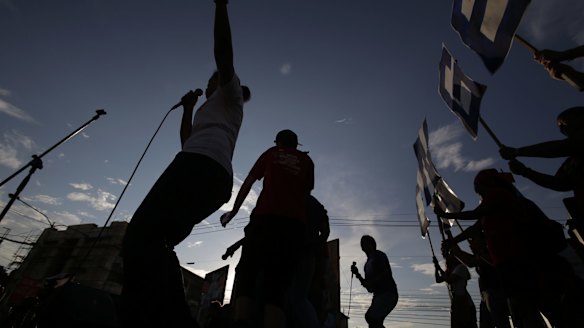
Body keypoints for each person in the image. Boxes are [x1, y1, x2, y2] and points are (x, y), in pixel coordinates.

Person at [121, 1, 250, 327]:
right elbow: (187, 141)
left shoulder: (230, 95)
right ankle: (157, 314)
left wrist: (221, 6)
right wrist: (187, 108)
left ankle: (163, 316)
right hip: (199, 167)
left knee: (140, 236)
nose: (210, 85)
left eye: (214, 81)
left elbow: (224, 52)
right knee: (156, 243)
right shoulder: (210, 109)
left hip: (201, 168)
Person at [435, 169, 573, 328]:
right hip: (505, 263)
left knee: (533, 305)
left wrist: (449, 216)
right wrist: (454, 241)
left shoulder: (498, 195)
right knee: (522, 307)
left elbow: (476, 214)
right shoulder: (490, 206)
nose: (480, 195)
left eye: (480, 190)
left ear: (489, 184)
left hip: (519, 259)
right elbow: (475, 227)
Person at [221, 129, 314, 328]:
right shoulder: (308, 162)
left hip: (265, 219)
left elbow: (248, 182)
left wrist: (234, 210)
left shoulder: (271, 153)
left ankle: (241, 322)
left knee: (247, 274)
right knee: (277, 287)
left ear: (278, 141)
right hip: (293, 227)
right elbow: (306, 195)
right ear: (297, 144)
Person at [499, 107, 584, 245]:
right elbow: (560, 183)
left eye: (565, 122)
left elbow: (563, 147)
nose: (563, 128)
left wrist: (518, 151)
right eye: (561, 126)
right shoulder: (572, 162)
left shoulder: (575, 145)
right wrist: (526, 172)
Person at [350, 235, 398, 328]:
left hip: (388, 293)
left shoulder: (379, 255)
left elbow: (387, 273)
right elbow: (368, 287)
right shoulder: (366, 265)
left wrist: (372, 282)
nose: (362, 244)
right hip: (378, 295)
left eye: (364, 242)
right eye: (361, 243)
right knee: (374, 322)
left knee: (371, 318)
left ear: (371, 244)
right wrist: (357, 274)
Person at [433, 251, 477, 328]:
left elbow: (450, 279)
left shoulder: (461, 267)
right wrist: (436, 268)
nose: (446, 258)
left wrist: (439, 269)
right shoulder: (452, 271)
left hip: (464, 301)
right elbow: (438, 280)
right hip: (457, 301)